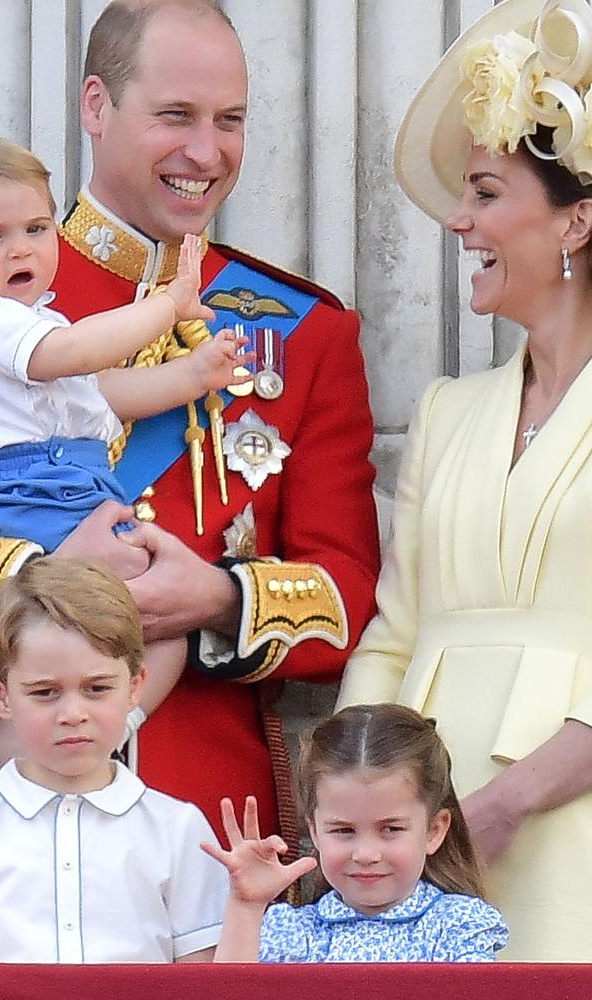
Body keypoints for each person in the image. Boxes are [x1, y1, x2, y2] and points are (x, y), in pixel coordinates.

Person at [0, 0, 379, 846]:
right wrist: (38, 571)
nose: (205, 152)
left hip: (204, 832)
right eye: (175, 115)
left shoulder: (306, 331)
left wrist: (216, 598)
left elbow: (348, 599)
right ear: (96, 107)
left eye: (230, 121)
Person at [337, 0, 592, 962]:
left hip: (571, 835)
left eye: (484, 192)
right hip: (423, 863)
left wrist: (510, 801)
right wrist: (359, 807)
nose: (457, 219)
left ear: (577, 218)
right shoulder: (449, 409)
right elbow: (394, 634)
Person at [0, 133, 254, 773]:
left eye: (35, 227)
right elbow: (79, 356)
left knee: (158, 632)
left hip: (68, 488)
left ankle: (107, 737)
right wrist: (170, 305)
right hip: (23, 501)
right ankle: (18, 787)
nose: (21, 248)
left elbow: (106, 395)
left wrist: (193, 377)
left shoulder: (32, 321)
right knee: (44, 661)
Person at [0, 556, 228, 962]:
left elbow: (203, 979)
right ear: (1, 694)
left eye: (96, 688)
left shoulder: (178, 830)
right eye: (45, 692)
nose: (73, 713)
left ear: (134, 686)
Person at [202, 704, 508, 963]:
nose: (365, 854)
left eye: (390, 829)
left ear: (433, 831)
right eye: (344, 830)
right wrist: (246, 906)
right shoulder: (292, 932)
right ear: (315, 831)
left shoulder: (458, 926)